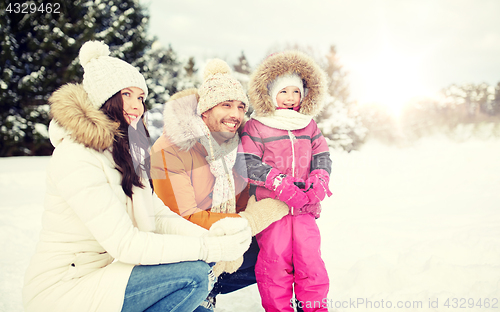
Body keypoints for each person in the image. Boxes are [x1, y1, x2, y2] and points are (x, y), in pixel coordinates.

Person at [22, 41, 253, 312]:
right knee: (194, 276)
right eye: (127, 95)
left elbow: (158, 216)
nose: (137, 106)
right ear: (103, 98)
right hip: (67, 288)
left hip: (114, 276)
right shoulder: (75, 157)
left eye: (141, 97)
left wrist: (215, 237)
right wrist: (207, 250)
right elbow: (126, 244)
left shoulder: (128, 154)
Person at [150, 59, 289, 311]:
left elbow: (244, 201)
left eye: (240, 107)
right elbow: (182, 219)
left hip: (221, 237)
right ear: (205, 111)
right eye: (226, 105)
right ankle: (191, 289)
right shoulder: (171, 148)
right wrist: (248, 222)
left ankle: (209, 287)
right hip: (180, 250)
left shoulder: (236, 147)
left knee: (280, 245)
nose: (235, 115)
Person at [236, 51, 333, 312]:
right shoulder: (257, 126)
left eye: (296, 92)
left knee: (310, 260)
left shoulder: (308, 125)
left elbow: (322, 156)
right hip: (273, 209)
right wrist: (277, 182)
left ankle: (313, 308)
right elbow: (246, 161)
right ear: (270, 93)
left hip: (304, 208)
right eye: (284, 92)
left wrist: (319, 181)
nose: (290, 98)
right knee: (274, 263)